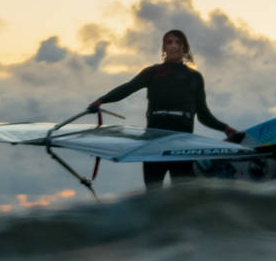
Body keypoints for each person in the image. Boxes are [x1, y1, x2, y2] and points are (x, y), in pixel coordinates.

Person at [89, 28, 247, 189]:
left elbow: (203, 115)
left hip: (182, 142)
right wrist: (102, 100)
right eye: (169, 42)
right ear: (164, 48)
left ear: (185, 48)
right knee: (153, 191)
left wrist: (224, 128)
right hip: (154, 140)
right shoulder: (153, 72)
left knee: (181, 195)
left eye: (178, 42)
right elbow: (128, 88)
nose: (173, 46)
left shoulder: (194, 77)